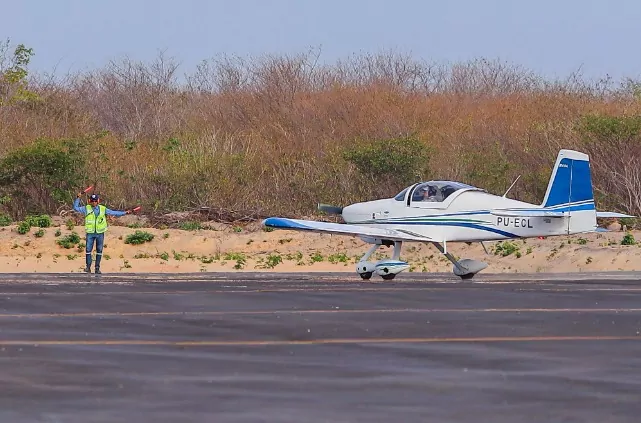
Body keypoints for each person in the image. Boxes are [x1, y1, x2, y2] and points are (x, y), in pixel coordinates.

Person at [73, 193, 131, 274]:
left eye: (95, 201)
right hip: (90, 233)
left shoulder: (103, 209)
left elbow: (113, 212)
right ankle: (88, 267)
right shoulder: (86, 208)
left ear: (98, 201)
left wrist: (125, 213)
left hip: (100, 233)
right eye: (92, 201)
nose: (94, 202)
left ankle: (97, 268)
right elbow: (75, 208)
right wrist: (78, 198)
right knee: (88, 250)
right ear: (89, 201)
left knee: (99, 250)